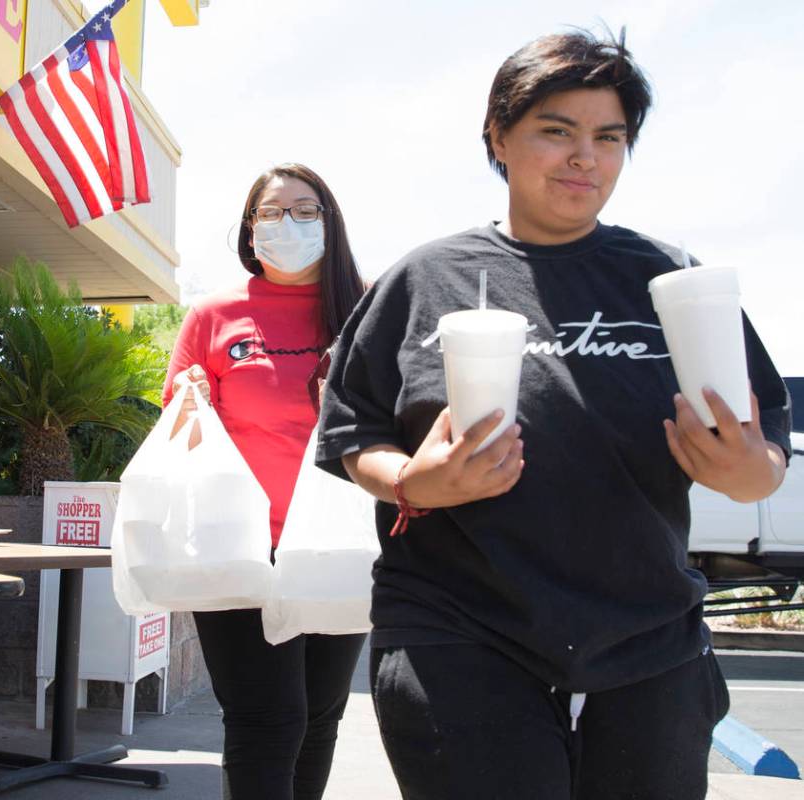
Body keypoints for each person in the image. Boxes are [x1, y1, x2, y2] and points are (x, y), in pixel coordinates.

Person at [316, 29, 791, 800]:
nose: (585, 158)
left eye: (609, 137)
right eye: (556, 131)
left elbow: (762, 432)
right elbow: (351, 431)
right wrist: (411, 481)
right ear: (499, 137)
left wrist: (750, 473)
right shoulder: (423, 279)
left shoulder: (672, 282)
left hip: (649, 634)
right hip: (457, 626)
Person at [164, 163, 367, 800]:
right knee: (266, 719)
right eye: (272, 213)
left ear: (330, 224)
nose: (288, 224)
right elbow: (179, 436)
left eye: (306, 211)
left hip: (342, 543)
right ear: (249, 231)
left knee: (320, 718)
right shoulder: (213, 316)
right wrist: (193, 407)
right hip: (239, 546)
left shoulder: (366, 311)